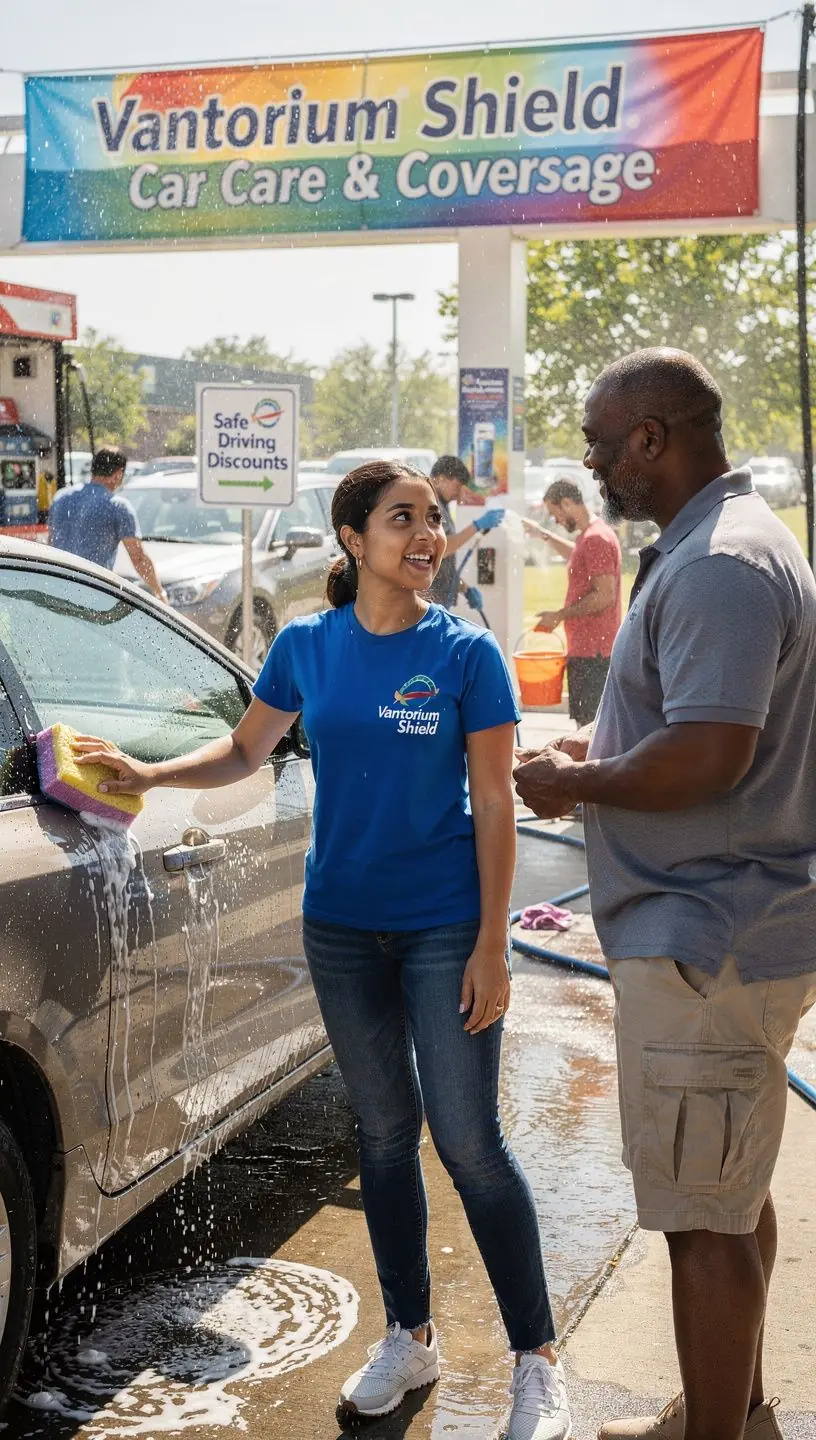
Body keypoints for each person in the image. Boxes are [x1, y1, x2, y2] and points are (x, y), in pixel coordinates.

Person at [73, 460, 571, 1440]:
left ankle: (538, 1361)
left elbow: (498, 811)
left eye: (433, 519)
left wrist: (493, 945)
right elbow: (244, 752)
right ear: (351, 539)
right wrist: (146, 772)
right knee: (382, 1138)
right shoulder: (306, 644)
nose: (426, 534)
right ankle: (409, 1335)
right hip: (340, 930)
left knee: (469, 1144)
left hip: (444, 927)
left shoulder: (468, 655)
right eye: (402, 519)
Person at [514, 349, 816, 1440]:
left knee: (701, 1224)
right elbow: (694, 727)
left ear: (653, 438)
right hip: (728, 932)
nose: (593, 461)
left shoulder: (718, 566)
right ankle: (733, 1410)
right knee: (730, 1196)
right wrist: (609, 742)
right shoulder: (722, 543)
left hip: (707, 939)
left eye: (602, 441)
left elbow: (712, 759)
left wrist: (573, 783)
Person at [524, 479, 621, 726]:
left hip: (593, 652)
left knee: (589, 728)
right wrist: (544, 535)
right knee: (589, 726)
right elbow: (578, 556)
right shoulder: (591, 535)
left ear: (567, 503)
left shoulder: (595, 539)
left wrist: (559, 615)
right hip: (590, 648)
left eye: (555, 514)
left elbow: (605, 595)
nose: (555, 521)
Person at [49, 446, 167, 600]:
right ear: (118, 474)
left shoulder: (61, 497)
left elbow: (52, 541)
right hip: (91, 594)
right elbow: (138, 558)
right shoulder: (117, 506)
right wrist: (159, 592)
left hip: (55, 589)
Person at [428, 454, 505, 614]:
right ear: (440, 478)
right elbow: (442, 548)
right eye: (457, 486)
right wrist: (476, 526)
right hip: (428, 601)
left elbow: (441, 565)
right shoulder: (430, 505)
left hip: (440, 600)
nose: (458, 494)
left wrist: (464, 588)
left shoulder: (442, 506)